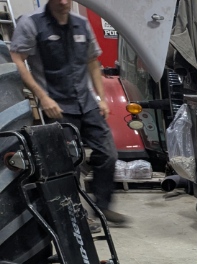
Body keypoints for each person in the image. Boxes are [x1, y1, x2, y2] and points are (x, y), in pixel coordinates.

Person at [9, 0, 128, 226]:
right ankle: (75, 214)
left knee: (109, 153)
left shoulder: (81, 24)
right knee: (68, 162)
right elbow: (18, 59)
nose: (63, 2)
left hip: (86, 102)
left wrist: (102, 98)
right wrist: (42, 97)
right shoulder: (31, 24)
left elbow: (93, 62)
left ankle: (102, 207)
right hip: (58, 106)